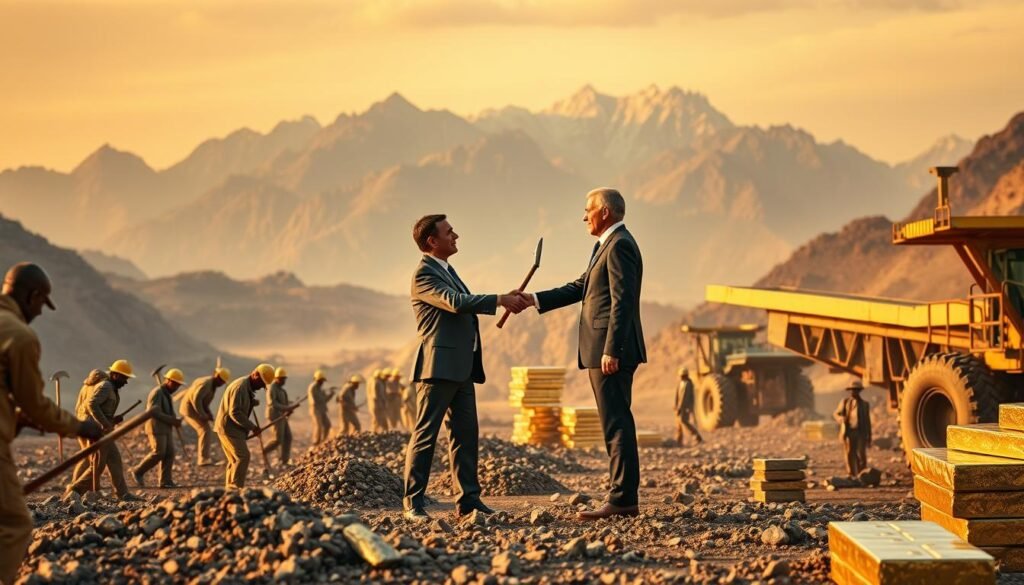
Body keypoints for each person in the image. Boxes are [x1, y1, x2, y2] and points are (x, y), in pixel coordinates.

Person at [522, 188, 646, 520]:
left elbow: (623, 301)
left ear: (604, 212)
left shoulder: (619, 245)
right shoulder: (604, 245)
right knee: (613, 422)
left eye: (587, 209)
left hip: (610, 352)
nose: (583, 216)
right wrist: (534, 299)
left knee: (617, 423)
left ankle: (622, 500)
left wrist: (612, 349)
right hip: (603, 349)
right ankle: (622, 497)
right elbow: (581, 286)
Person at [402, 213, 529, 522]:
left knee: (465, 435)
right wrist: (499, 299)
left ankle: (469, 502)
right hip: (438, 367)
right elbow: (456, 302)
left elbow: (463, 301)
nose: (455, 236)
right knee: (426, 434)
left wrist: (504, 298)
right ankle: (412, 504)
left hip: (461, 368)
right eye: (449, 232)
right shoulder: (424, 275)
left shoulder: (447, 269)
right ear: (432, 241)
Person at [0, 262, 102, 585]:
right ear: (32, 296)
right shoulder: (19, 336)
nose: (41, 313)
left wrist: (16, 418)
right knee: (15, 522)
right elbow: (36, 405)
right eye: (42, 304)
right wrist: (79, 427)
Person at [68, 359, 140, 500]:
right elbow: (92, 405)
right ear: (116, 375)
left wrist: (112, 419)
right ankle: (75, 491)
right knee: (98, 464)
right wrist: (105, 423)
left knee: (114, 459)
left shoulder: (108, 387)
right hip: (97, 430)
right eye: (125, 378)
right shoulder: (106, 386)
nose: (126, 382)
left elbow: (100, 408)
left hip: (98, 428)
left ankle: (122, 493)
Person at [214, 364, 274, 489]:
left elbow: (238, 404)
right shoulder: (240, 387)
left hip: (229, 427)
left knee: (234, 460)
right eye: (261, 383)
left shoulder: (246, 387)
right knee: (243, 457)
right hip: (229, 428)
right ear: (255, 375)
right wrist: (253, 427)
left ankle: (229, 489)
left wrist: (251, 402)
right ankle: (236, 488)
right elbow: (235, 412)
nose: (261, 387)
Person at [132, 368, 185, 488]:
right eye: (175, 384)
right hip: (156, 427)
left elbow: (167, 411)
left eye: (178, 385)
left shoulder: (167, 394)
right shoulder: (157, 393)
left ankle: (165, 481)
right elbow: (153, 412)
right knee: (159, 453)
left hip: (166, 428)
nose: (176, 387)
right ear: (168, 380)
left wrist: (174, 420)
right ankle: (138, 471)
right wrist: (171, 420)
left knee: (170, 453)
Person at [178, 366, 231, 466]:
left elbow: (204, 402)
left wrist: (208, 413)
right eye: (222, 382)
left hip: (194, 409)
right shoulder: (206, 384)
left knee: (207, 429)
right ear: (217, 377)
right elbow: (196, 400)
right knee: (204, 430)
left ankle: (205, 456)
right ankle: (203, 459)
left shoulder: (212, 385)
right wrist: (202, 414)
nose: (222, 384)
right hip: (189, 410)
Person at [834, 379, 872, 478]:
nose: (854, 392)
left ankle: (862, 474)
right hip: (849, 431)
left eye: (856, 390)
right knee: (850, 453)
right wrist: (841, 419)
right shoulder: (845, 402)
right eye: (852, 390)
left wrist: (869, 436)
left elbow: (868, 422)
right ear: (850, 391)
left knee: (861, 454)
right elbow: (836, 414)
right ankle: (851, 474)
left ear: (859, 391)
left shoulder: (864, 404)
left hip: (860, 432)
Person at [263, 367, 293, 465]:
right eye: (281, 379)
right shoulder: (272, 388)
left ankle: (285, 460)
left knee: (288, 437)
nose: (283, 381)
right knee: (278, 440)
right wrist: (286, 408)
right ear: (276, 378)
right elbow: (273, 404)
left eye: (284, 379)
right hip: (275, 416)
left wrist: (289, 405)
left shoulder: (281, 390)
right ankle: (264, 451)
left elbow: (283, 402)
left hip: (282, 415)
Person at [674, 367, 703, 446]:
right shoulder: (680, 383)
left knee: (684, 421)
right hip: (679, 408)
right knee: (679, 423)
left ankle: (697, 436)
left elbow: (687, 398)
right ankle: (679, 441)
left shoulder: (689, 384)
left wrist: (687, 408)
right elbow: (677, 396)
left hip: (685, 408)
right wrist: (676, 406)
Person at [308, 370, 334, 445]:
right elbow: (316, 400)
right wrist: (324, 396)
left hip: (322, 410)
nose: (322, 382)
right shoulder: (312, 388)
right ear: (317, 380)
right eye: (320, 381)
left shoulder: (320, 389)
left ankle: (323, 441)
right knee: (318, 426)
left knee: (327, 425)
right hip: (315, 409)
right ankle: (316, 442)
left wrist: (331, 394)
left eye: (322, 381)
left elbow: (325, 400)